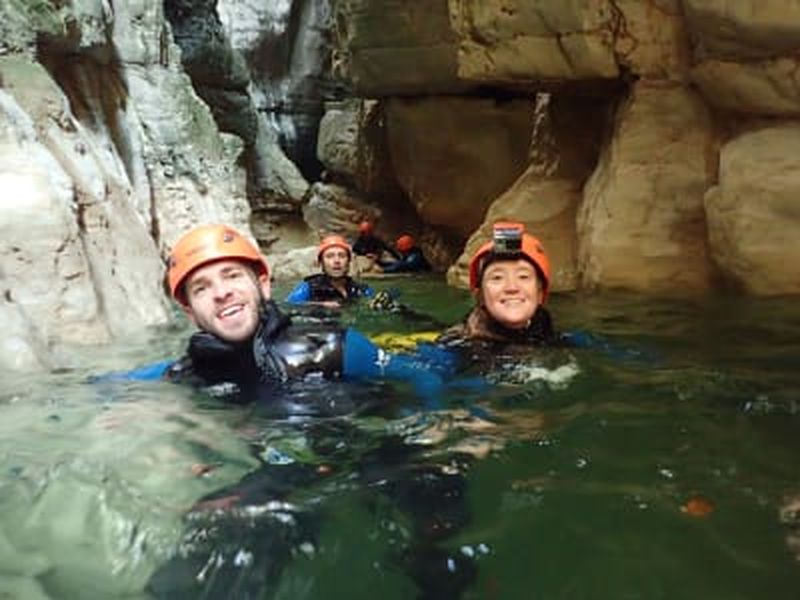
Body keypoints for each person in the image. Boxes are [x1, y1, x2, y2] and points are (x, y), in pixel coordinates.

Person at [159, 223, 454, 407]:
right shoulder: (186, 372)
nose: (221, 292)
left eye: (232, 275)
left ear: (263, 285)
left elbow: (421, 377)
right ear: (189, 311)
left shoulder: (334, 348)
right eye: (201, 288)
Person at [439, 221, 562, 346]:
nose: (512, 287)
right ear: (480, 296)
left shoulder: (549, 336)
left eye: (523, 277)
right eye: (497, 278)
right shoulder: (455, 348)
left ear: (540, 293)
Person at [285, 234, 375, 307]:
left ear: (348, 261)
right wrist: (320, 305)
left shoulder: (361, 289)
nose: (337, 261)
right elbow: (288, 305)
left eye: (342, 256)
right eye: (330, 256)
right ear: (321, 263)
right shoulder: (308, 287)